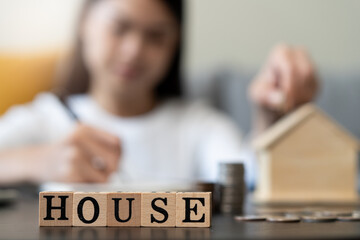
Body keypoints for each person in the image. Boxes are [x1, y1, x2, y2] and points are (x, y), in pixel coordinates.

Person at [0, 0, 318, 186]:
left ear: (175, 46)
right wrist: (34, 161)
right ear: (85, 23)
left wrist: (270, 119)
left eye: (155, 36)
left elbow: (250, 178)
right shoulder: (45, 120)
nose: (134, 50)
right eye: (120, 27)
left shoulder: (198, 125)